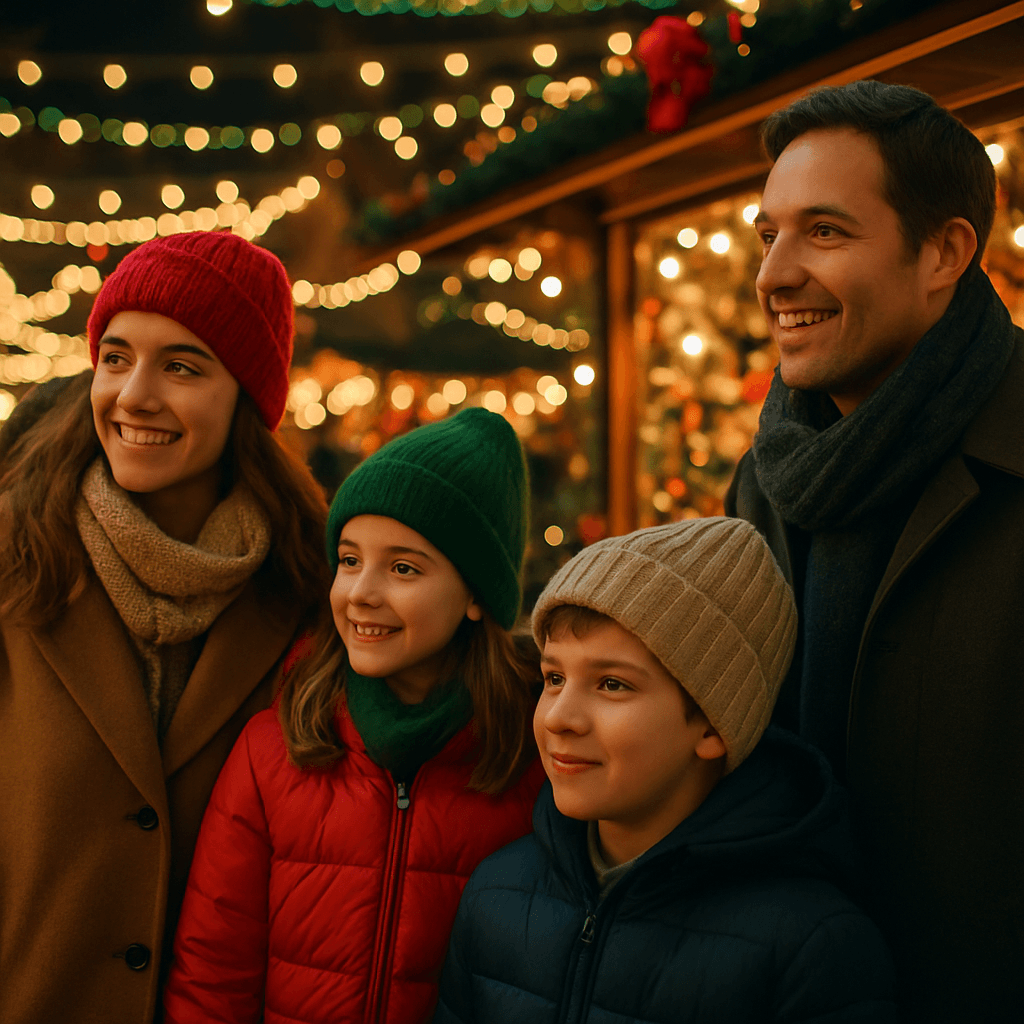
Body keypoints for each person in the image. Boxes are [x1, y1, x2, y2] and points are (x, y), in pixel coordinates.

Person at [725, 80, 1024, 1022]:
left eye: (823, 231)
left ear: (943, 253)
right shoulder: (762, 482)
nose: (773, 275)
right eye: (769, 233)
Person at [0, 231, 329, 1024]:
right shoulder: (15, 561)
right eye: (115, 358)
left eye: (181, 366)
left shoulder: (312, 589)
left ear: (246, 396)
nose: (134, 395)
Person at [163, 407, 546, 1024]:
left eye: (403, 568)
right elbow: (213, 974)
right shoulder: (274, 748)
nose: (361, 592)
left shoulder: (536, 760)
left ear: (477, 593)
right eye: (348, 559)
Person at [434, 517, 897, 1024]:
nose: (559, 717)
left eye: (612, 684)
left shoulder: (813, 948)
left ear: (712, 726)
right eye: (554, 677)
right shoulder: (495, 894)